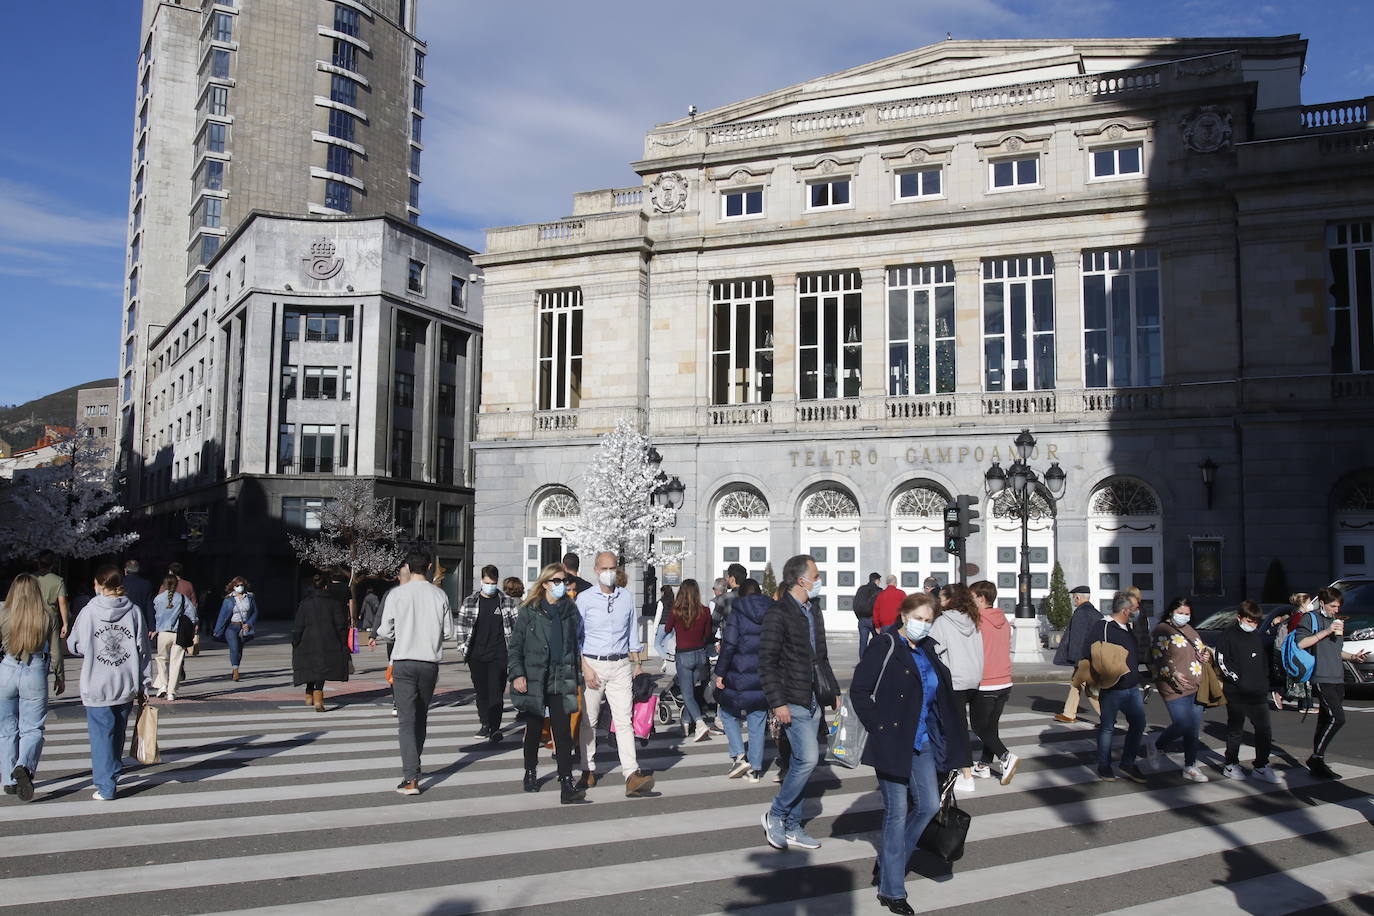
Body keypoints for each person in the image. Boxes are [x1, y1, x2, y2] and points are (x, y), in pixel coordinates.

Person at [852, 591, 972, 915]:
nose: (923, 624)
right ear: (904, 615)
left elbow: (943, 701)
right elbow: (859, 691)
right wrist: (881, 728)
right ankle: (892, 890)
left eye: (928, 620)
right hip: (892, 741)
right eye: (918, 618)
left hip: (924, 742)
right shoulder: (885, 645)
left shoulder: (930, 650)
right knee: (895, 813)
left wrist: (958, 750)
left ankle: (888, 862)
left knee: (929, 805)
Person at [759, 553, 837, 851]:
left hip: (814, 696)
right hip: (791, 698)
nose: (819, 581)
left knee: (797, 762)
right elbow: (766, 662)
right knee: (808, 760)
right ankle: (776, 815)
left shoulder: (812, 610)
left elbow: (822, 655)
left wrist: (832, 691)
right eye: (815, 576)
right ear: (800, 579)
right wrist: (778, 703)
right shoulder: (778, 614)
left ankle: (793, 824)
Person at [370, 550, 453, 795]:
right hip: (429, 662)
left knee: (406, 719)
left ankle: (410, 776)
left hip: (404, 660)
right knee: (421, 715)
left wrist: (398, 633)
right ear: (428, 566)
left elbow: (385, 630)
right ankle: (414, 765)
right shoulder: (440, 595)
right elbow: (448, 632)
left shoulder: (397, 594)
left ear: (407, 566)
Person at [66, 565, 151, 801]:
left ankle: (106, 785)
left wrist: (91, 648)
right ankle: (112, 773)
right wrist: (145, 682)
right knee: (117, 733)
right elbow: (143, 649)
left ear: (99, 585)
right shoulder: (133, 611)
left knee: (101, 735)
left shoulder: (89, 611)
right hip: (125, 680)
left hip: (96, 681)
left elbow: (75, 645)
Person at [576, 551, 655, 797]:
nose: (609, 572)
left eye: (613, 567)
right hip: (593, 663)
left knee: (623, 720)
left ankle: (631, 773)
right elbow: (576, 637)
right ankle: (587, 768)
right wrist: (584, 666)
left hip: (620, 664)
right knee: (589, 720)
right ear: (597, 570)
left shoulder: (626, 598)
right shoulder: (584, 599)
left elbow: (632, 633)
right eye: (605, 568)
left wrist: (637, 663)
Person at [509, 563, 587, 804]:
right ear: (544, 584)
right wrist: (518, 675)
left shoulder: (570, 611)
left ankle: (566, 783)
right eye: (556, 581)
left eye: (563, 581)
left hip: (560, 676)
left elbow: (577, 645)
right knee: (534, 729)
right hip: (535, 676)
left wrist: (578, 675)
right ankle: (530, 771)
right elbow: (515, 647)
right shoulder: (529, 610)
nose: (561, 585)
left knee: (563, 732)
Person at [1295, 586, 1368, 779]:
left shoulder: (1336, 622)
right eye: (1333, 606)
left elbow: (1336, 650)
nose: (1337, 610)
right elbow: (1301, 644)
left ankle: (1318, 761)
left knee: (1326, 719)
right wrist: (1326, 631)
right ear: (1322, 603)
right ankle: (1315, 757)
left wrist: (1353, 657)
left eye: (1338, 606)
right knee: (1337, 718)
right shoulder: (1310, 619)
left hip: (1337, 677)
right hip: (1321, 676)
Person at [1, 574, 57, 802]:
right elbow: (56, 651)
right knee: (32, 728)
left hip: (7, 668)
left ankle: (8, 779)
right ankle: (24, 765)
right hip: (34, 668)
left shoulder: (4, 613)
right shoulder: (46, 615)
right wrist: (60, 676)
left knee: (6, 729)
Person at [1214, 600, 1282, 784]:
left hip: (1258, 692)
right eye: (1250, 620)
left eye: (1256, 621)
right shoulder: (1227, 636)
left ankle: (1261, 766)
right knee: (1236, 729)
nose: (1253, 624)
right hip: (1236, 692)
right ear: (1240, 618)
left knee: (1264, 730)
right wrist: (1236, 679)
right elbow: (1221, 660)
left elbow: (1263, 662)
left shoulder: (1256, 636)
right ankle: (1231, 764)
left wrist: (1266, 683)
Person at [1146, 596, 1211, 782]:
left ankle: (1190, 766)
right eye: (1180, 613)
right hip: (1173, 685)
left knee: (1193, 727)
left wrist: (1204, 656)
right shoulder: (1162, 630)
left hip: (1196, 684)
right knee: (1183, 724)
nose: (1183, 616)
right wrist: (1173, 673)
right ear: (1171, 612)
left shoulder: (1190, 629)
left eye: (1187, 614)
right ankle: (1158, 744)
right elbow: (1159, 656)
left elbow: (1198, 650)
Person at [455, 564, 520, 740]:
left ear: (497, 581)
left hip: (499, 655)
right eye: (486, 582)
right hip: (476, 655)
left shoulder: (506, 602)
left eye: (492, 582)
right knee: (481, 692)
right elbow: (461, 626)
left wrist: (515, 653)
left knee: (496, 692)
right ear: (481, 580)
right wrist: (463, 648)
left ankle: (495, 728)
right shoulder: (470, 601)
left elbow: (516, 628)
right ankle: (484, 722)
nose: (489, 585)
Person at [929, 582, 983, 793]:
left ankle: (966, 774)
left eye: (942, 598)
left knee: (955, 728)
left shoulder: (943, 622)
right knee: (962, 725)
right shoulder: (973, 620)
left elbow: (933, 648)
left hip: (954, 679)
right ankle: (964, 769)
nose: (939, 602)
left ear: (951, 600)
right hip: (973, 678)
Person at [715, 577, 770, 782]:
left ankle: (739, 755)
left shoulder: (737, 614)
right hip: (764, 675)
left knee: (727, 713)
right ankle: (755, 768)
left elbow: (729, 645)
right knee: (757, 718)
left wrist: (720, 672)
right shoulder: (772, 613)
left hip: (738, 673)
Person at [1094, 593, 1148, 783]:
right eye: (1135, 608)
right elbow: (1090, 651)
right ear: (1126, 611)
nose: (1137, 611)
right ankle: (1104, 765)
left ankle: (1128, 762)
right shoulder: (1105, 627)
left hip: (1132, 687)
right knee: (1108, 727)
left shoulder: (1128, 628)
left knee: (1139, 723)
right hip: (1112, 688)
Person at [968, 580, 1018, 785]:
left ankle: (1006, 757)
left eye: (972, 597)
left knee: (979, 727)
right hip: (1004, 680)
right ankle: (983, 765)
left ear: (981, 598)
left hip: (986, 680)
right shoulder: (1003, 619)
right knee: (991, 726)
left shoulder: (977, 620)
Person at [292, 572, 349, 713]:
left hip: (307, 640)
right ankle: (318, 696)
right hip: (328, 640)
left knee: (311, 667)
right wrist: (343, 642)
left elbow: (298, 625)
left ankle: (309, 693)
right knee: (322, 669)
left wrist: (296, 640)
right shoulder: (333, 603)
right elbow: (340, 625)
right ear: (326, 586)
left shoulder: (305, 603)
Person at [666, 579, 713, 742]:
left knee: (686, 694)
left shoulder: (676, 611)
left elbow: (667, 629)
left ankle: (699, 723)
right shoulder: (705, 611)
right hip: (700, 654)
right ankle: (685, 723)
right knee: (691, 692)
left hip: (684, 654)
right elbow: (707, 634)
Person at [1054, 586, 1104, 723]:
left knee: (1087, 688)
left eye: (1073, 598)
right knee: (1079, 685)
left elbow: (1077, 638)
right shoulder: (1096, 613)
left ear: (1078, 597)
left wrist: (1075, 658)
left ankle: (1107, 718)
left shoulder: (1080, 613)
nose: (1073, 601)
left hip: (1084, 657)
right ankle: (1069, 713)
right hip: (1093, 656)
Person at [150, 574, 195, 701]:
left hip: (163, 633)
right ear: (176, 585)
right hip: (178, 633)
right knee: (176, 662)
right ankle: (171, 691)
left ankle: (163, 684)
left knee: (161, 659)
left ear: (164, 585)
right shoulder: (182, 598)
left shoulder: (158, 599)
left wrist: (155, 629)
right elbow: (192, 614)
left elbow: (156, 616)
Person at [33, 551, 68, 695]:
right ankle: (59, 678)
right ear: (53, 564)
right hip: (50, 616)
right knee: (55, 649)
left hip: (32, 616)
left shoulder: (31, 578)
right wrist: (65, 623)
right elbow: (62, 603)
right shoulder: (57, 580)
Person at [213, 576, 259, 682]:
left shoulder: (250, 597)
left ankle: (235, 667)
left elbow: (255, 612)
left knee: (239, 650)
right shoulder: (228, 599)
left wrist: (249, 623)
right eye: (237, 585)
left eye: (242, 585)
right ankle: (236, 670)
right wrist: (217, 629)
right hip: (231, 627)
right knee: (233, 647)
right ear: (233, 587)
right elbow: (222, 615)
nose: (240, 587)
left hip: (244, 627)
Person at [1281, 592, 1314, 714]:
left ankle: (1304, 704)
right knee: (1304, 677)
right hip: (1299, 649)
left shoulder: (1296, 615)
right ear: (1303, 603)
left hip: (1296, 650)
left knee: (1302, 677)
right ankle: (1284, 695)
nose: (1311, 605)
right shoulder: (1300, 617)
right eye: (1309, 602)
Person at [122, 560, 155, 635]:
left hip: (123, 621)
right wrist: (151, 626)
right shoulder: (146, 584)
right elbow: (149, 606)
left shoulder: (120, 583)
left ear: (125, 570)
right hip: (141, 620)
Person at [853, 572, 882, 654]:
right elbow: (879, 607)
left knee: (863, 643)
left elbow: (855, 603)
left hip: (862, 620)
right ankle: (875, 662)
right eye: (879, 581)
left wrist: (859, 616)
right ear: (877, 580)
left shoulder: (861, 589)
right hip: (873, 620)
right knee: (877, 642)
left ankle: (862, 664)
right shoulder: (879, 591)